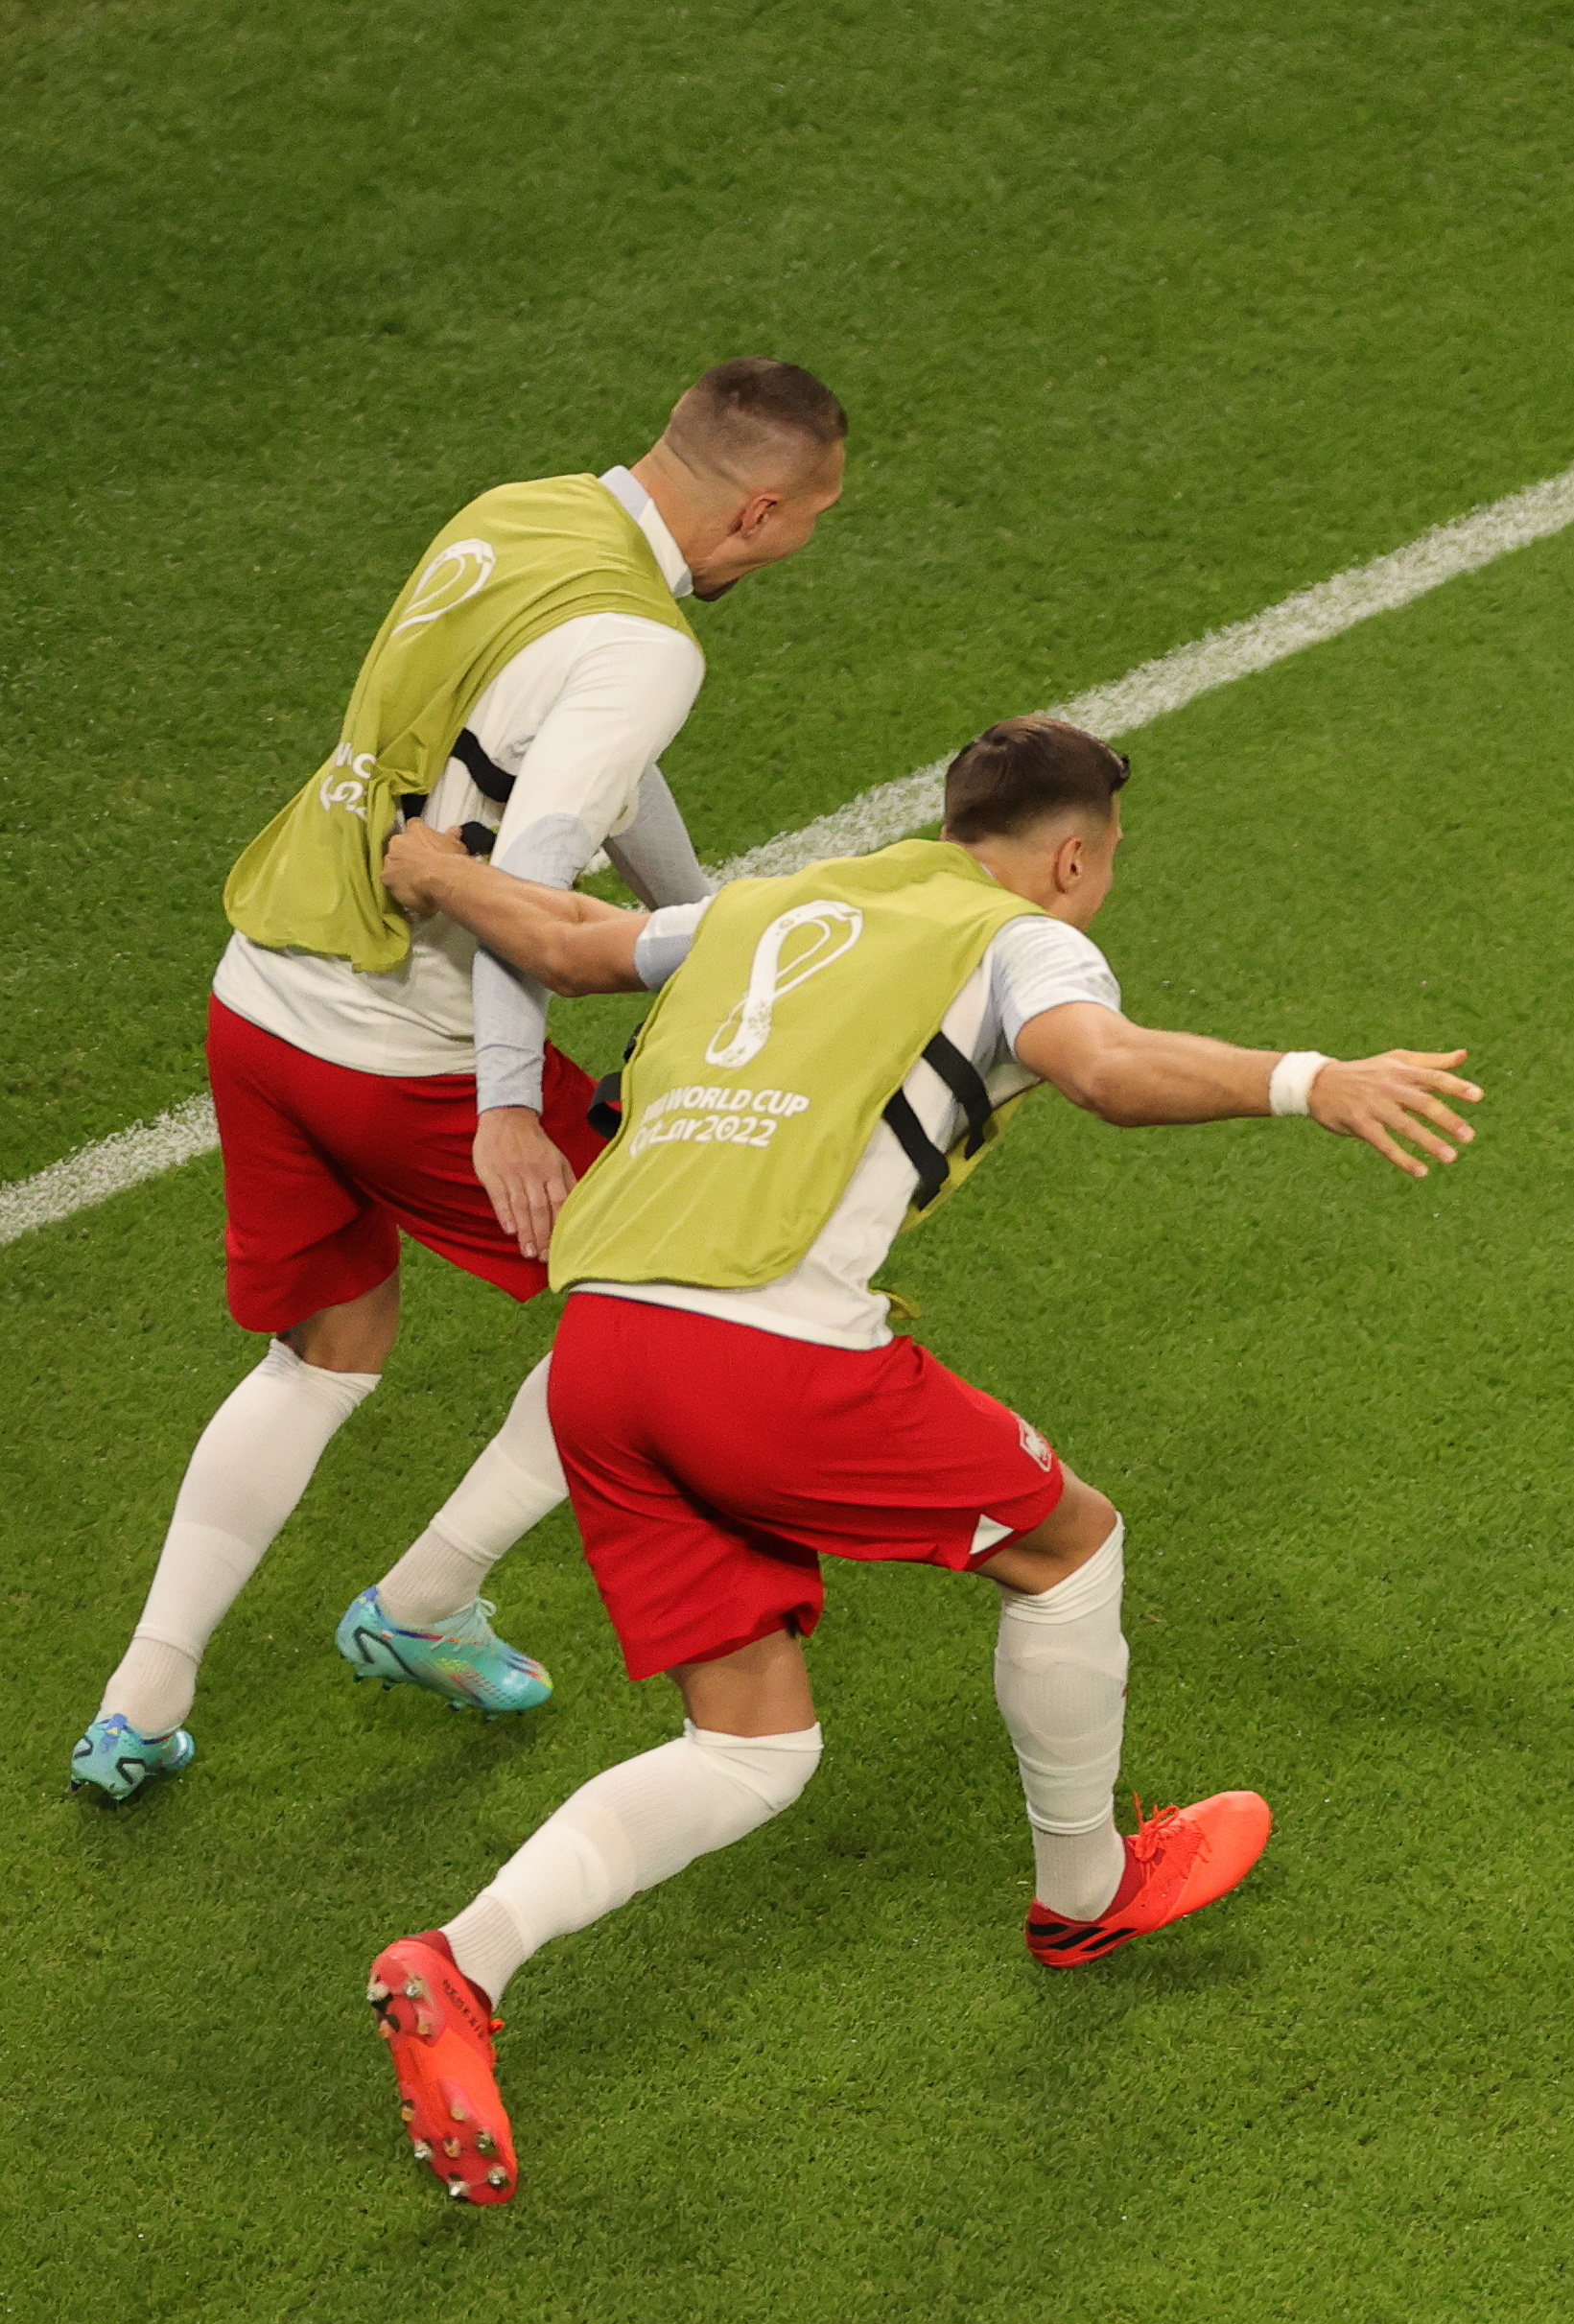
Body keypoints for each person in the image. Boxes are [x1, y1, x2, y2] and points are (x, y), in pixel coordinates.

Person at [354, 716, 1483, 2205]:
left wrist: (428, 859)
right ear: (1074, 858)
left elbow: (570, 940)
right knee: (1067, 1541)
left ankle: (459, 1961)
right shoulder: (1025, 944)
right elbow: (1106, 1068)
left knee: (753, 1747)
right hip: (769, 1354)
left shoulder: (778, 902)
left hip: (603, 1348)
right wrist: (1309, 1078)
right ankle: (1084, 1894)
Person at [74, 360, 854, 1802]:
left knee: (324, 1351)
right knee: (693, 1293)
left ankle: (142, 1698)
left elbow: (573, 766)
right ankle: (422, 1605)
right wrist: (506, 1102)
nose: (806, 542)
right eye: (811, 518)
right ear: (757, 508)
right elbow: (526, 872)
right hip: (410, 1058)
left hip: (261, 1006)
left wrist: (693, 912)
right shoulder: (647, 645)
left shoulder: (530, 511)